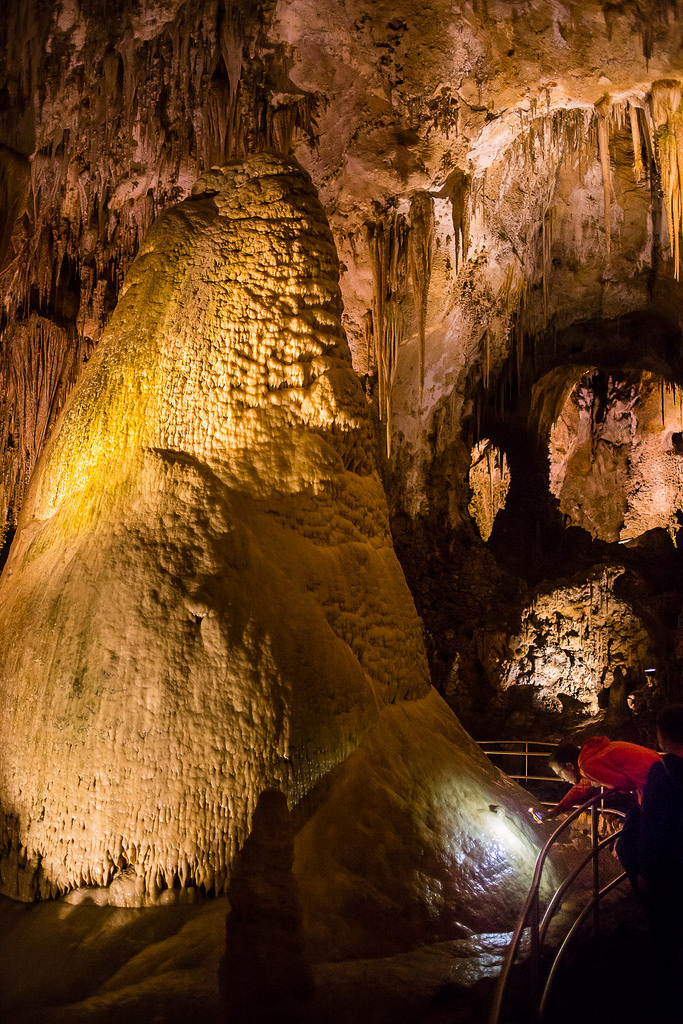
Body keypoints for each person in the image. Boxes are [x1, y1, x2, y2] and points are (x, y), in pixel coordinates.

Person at [545, 735, 662, 883]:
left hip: (655, 789)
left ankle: (648, 885)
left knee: (628, 847)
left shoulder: (587, 765)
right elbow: (582, 787)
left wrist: (600, 783)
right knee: (631, 836)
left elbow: (625, 784)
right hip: (656, 779)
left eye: (560, 773)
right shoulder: (591, 756)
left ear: (569, 766)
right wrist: (559, 808)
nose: (561, 779)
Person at [639, 705, 683, 1014]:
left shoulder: (662, 770)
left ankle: (665, 1002)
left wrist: (645, 870)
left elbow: (652, 825)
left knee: (667, 937)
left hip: (672, 868)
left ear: (664, 736)